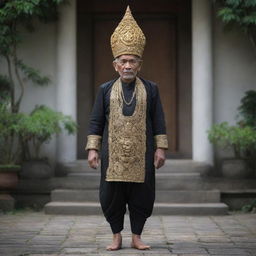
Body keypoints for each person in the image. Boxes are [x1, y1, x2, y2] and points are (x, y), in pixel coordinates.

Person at [85, 6, 168, 251]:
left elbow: (159, 119)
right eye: (124, 61)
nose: (128, 65)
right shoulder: (105, 90)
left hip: (143, 154)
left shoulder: (151, 89)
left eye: (133, 60)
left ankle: (137, 236)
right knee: (111, 196)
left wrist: (161, 148)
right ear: (116, 65)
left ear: (139, 64)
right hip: (113, 155)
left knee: (142, 195)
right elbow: (95, 121)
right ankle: (116, 235)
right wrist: (93, 149)